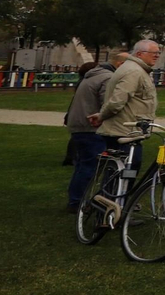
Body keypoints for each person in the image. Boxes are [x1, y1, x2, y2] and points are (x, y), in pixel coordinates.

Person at [65, 56, 119, 212]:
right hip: (91, 126)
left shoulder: (91, 77)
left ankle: (75, 200)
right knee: (91, 166)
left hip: (79, 125)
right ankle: (79, 202)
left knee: (83, 165)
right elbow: (107, 105)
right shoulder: (107, 78)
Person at [88, 39, 160, 155]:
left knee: (123, 170)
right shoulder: (133, 71)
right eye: (153, 53)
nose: (157, 56)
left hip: (128, 130)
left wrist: (102, 115)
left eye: (158, 53)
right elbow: (117, 102)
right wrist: (102, 116)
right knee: (126, 169)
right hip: (124, 132)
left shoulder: (138, 70)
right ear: (139, 54)